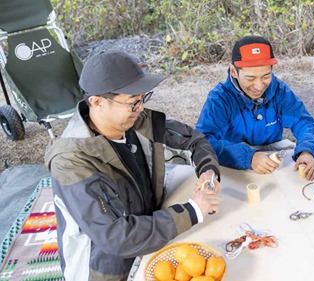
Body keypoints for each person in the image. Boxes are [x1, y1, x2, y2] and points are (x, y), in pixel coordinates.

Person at [44, 51, 221, 281]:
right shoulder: (71, 161)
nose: (140, 108)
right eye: (132, 102)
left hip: (152, 232)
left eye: (142, 98)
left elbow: (193, 141)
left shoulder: (135, 121)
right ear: (97, 102)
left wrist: (208, 172)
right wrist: (194, 209)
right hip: (105, 270)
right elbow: (115, 237)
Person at [196, 35, 314, 180]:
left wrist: (307, 151)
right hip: (233, 165)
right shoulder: (220, 99)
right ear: (233, 71)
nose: (259, 86)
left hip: (272, 162)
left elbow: (304, 123)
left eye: (266, 76)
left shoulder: (279, 91)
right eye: (250, 78)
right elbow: (202, 142)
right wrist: (249, 157)